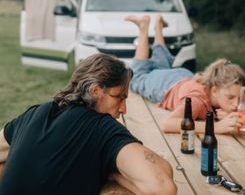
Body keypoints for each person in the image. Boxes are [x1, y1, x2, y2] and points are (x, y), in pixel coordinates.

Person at [0, 54, 177, 195]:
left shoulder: (35, 113)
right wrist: (114, 173)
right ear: (96, 91)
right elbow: (161, 187)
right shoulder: (102, 127)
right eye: (120, 97)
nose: (123, 109)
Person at [126, 15, 245, 134]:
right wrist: (216, 127)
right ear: (214, 90)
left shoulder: (235, 91)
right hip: (166, 85)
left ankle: (159, 27)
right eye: (230, 98)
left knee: (162, 64)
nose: (237, 104)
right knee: (138, 76)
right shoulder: (197, 100)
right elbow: (168, 124)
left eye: (239, 99)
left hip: (185, 77)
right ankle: (143, 28)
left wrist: (244, 117)